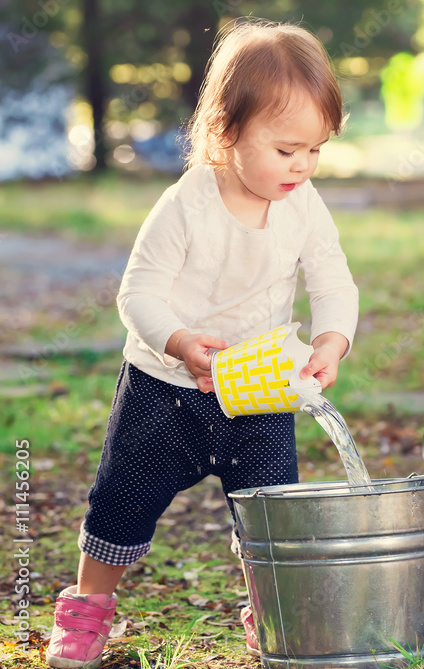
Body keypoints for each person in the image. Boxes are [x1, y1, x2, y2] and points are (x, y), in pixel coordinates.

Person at [45, 19, 359, 669]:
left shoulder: (304, 204)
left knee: (270, 517)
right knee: (122, 500)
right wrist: (180, 339)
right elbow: (137, 294)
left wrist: (333, 338)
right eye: (286, 149)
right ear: (226, 132)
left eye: (315, 150)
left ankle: (267, 612)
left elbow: (333, 280)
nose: (302, 165)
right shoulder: (187, 203)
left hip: (258, 393)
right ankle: (87, 605)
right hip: (166, 390)